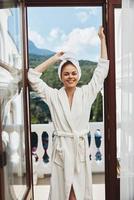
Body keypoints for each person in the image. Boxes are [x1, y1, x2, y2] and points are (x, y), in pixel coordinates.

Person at [28, 26, 109, 200]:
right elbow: (32, 77)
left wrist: (102, 40)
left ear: (78, 75)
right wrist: (55, 58)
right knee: (63, 194)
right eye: (66, 74)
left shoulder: (86, 93)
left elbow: (101, 70)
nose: (70, 77)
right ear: (61, 76)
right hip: (62, 151)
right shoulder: (54, 96)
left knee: (77, 194)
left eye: (73, 73)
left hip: (79, 149)